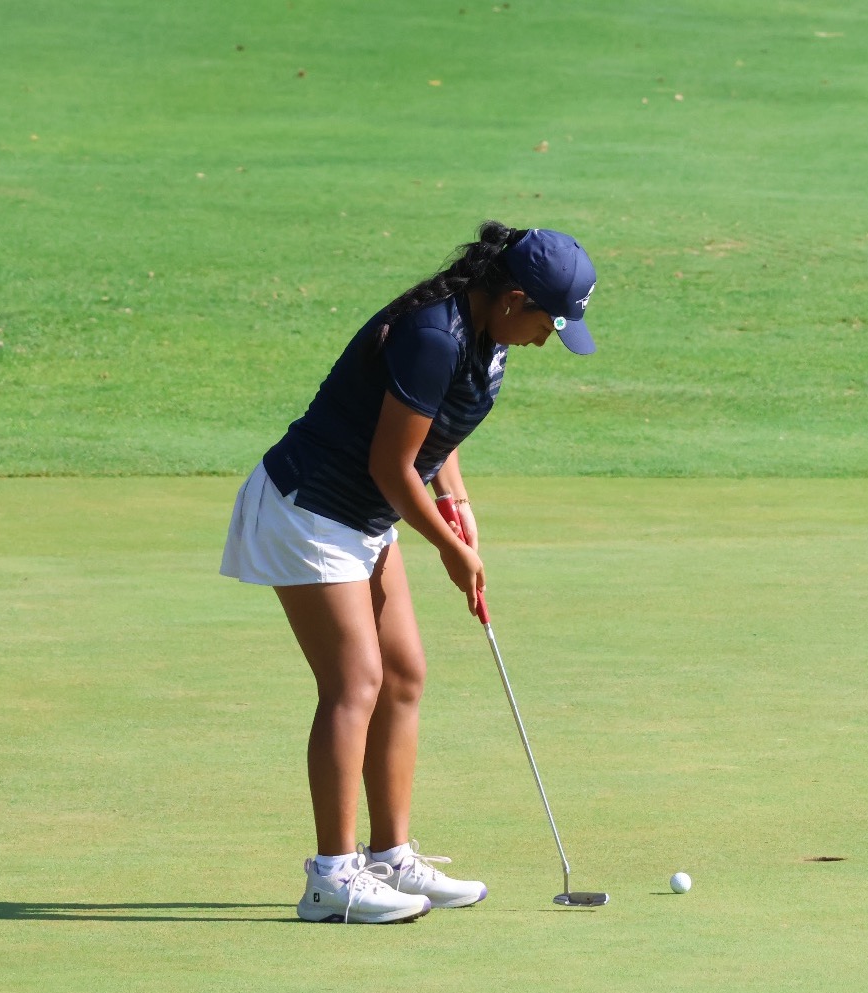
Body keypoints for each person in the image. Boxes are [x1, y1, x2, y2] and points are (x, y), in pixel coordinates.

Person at [221, 222, 598, 923]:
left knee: (403, 675)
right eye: (548, 323)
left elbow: (432, 437)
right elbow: (390, 466)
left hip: (360, 518)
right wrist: (449, 549)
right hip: (309, 511)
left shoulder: (487, 335)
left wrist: (455, 501)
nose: (549, 339)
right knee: (354, 681)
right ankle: (330, 879)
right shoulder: (434, 335)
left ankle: (389, 858)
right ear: (514, 298)